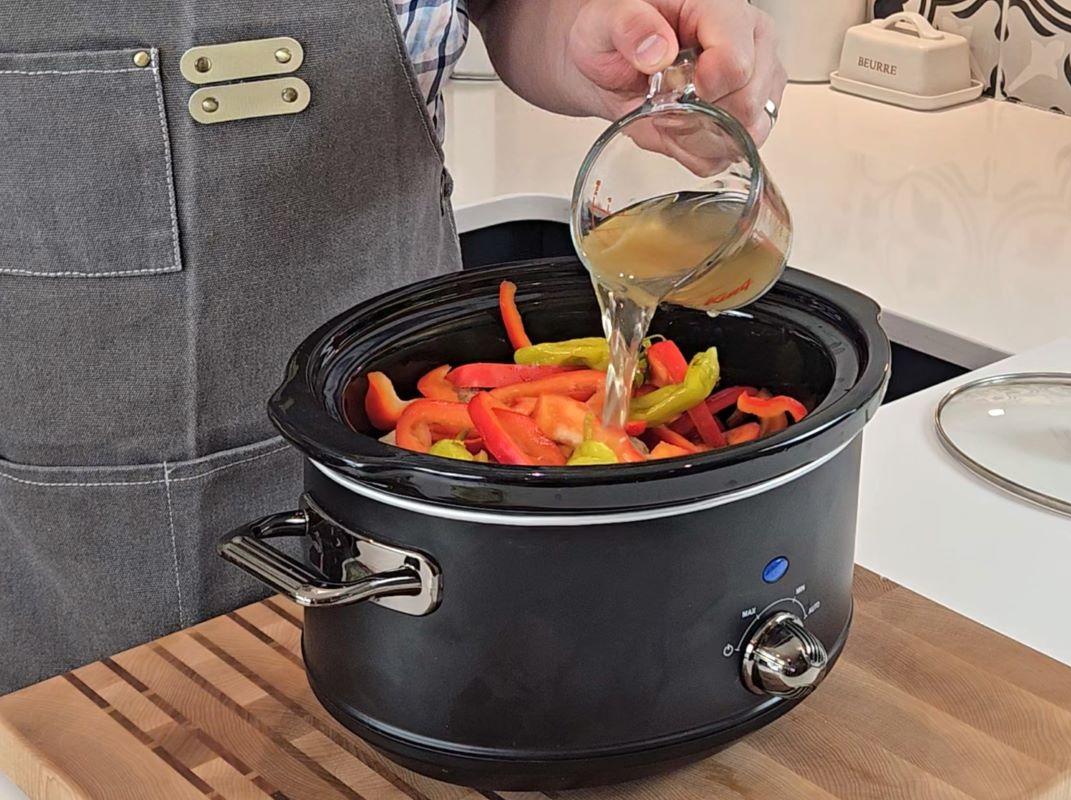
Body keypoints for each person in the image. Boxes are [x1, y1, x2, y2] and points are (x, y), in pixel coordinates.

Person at [0, 0, 786, 693]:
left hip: (405, 376)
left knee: (437, 688)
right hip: (85, 410)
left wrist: (589, 27)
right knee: (121, 737)